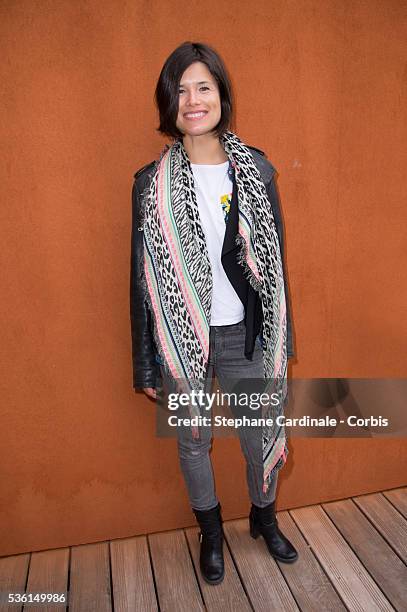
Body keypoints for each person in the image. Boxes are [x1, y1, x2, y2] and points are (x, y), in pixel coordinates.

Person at [130, 41, 298, 585]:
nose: (193, 99)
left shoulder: (257, 171)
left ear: (222, 95)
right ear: (167, 103)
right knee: (193, 441)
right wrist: (145, 363)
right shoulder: (149, 185)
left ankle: (263, 518)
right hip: (181, 340)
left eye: (203, 86)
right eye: (180, 90)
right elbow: (140, 280)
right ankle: (210, 532)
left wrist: (282, 336)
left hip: (246, 335)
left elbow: (276, 266)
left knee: (260, 435)